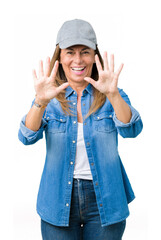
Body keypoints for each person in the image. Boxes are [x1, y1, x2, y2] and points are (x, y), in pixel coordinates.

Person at [18, 19, 143, 240]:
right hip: (58, 199)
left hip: (105, 197)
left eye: (85, 52)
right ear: (60, 57)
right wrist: (40, 100)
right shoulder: (49, 96)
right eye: (70, 52)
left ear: (95, 57)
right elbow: (26, 136)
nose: (78, 59)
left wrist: (113, 95)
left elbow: (131, 130)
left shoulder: (112, 93)